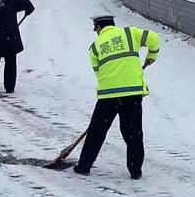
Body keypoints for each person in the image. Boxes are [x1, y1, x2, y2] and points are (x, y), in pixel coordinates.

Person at [67, 15, 160, 179]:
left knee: (96, 132)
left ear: (98, 27)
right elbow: (154, 38)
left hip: (108, 96)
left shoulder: (95, 47)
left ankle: (84, 167)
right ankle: (135, 172)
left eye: (95, 29)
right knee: (133, 134)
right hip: (132, 93)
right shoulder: (130, 34)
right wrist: (152, 55)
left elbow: (98, 72)